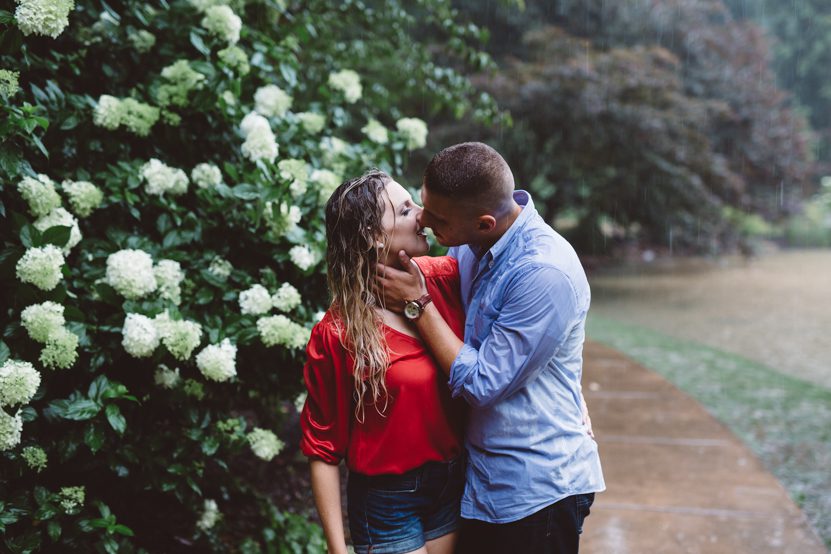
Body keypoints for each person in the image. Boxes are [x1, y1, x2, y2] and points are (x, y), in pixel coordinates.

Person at [376, 142, 605, 554]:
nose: (425, 222)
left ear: (484, 223)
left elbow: (482, 383)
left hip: (534, 490)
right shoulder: (468, 240)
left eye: (437, 218)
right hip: (478, 482)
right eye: (424, 206)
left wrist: (418, 306)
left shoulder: (544, 272)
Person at [299, 169, 467, 554]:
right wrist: (337, 548)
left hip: (452, 485)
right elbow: (322, 449)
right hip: (387, 502)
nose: (422, 215)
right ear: (374, 237)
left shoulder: (443, 279)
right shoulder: (338, 333)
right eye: (406, 209)